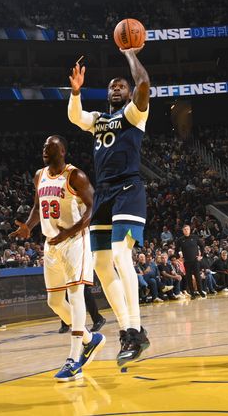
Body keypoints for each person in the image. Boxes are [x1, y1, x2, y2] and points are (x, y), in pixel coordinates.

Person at [67, 46, 151, 366]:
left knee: (120, 254)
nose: (116, 88)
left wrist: (130, 54)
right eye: (111, 86)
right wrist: (75, 92)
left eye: (121, 86)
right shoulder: (100, 119)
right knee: (101, 266)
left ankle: (133, 329)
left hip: (129, 188)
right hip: (103, 193)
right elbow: (76, 117)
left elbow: (144, 85)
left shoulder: (134, 114)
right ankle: (130, 330)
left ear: (128, 93)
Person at [11, 135, 106, 382]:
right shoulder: (39, 175)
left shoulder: (76, 176)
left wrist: (70, 231)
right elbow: (36, 206)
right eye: (43, 146)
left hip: (75, 241)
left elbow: (93, 207)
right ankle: (89, 339)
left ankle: (74, 360)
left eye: (50, 147)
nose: (45, 150)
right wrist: (29, 227)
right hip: (51, 243)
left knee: (75, 297)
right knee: (54, 302)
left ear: (62, 150)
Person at [177, 225, 206, 298]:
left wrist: (201, 256)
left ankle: (200, 291)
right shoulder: (180, 240)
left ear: (190, 230)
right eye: (185, 229)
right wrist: (179, 257)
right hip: (186, 261)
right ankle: (192, 294)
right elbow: (176, 250)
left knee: (197, 276)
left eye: (187, 229)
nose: (186, 231)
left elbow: (202, 246)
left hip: (195, 261)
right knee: (189, 278)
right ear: (183, 231)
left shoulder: (195, 237)